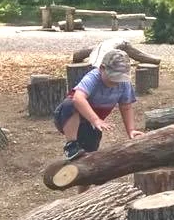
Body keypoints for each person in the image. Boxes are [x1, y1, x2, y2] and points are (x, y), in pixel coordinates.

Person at [54, 49, 143, 190]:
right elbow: (78, 98)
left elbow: (126, 107)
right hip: (68, 118)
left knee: (88, 160)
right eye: (113, 77)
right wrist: (95, 119)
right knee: (70, 103)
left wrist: (131, 130)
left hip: (90, 127)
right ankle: (71, 145)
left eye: (120, 78)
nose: (116, 82)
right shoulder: (93, 77)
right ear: (102, 69)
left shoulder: (124, 84)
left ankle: (83, 193)